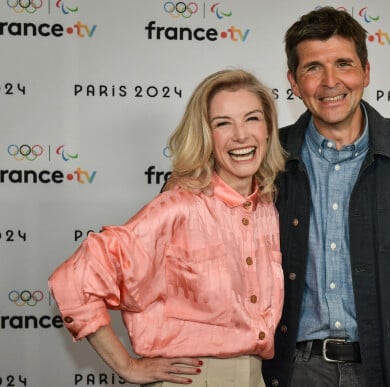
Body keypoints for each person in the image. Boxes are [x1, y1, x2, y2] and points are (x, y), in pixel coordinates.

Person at [259, 7, 390, 387]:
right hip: (295, 370)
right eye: (313, 68)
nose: (330, 81)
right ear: (293, 82)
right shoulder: (270, 153)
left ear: (366, 72)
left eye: (343, 64)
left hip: (389, 370)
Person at [48, 69, 287, 387]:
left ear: (269, 130)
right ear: (206, 135)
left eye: (252, 118)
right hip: (195, 379)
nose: (241, 135)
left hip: (255, 377)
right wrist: (128, 366)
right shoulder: (178, 206)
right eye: (223, 123)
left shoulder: (266, 207)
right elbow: (74, 281)